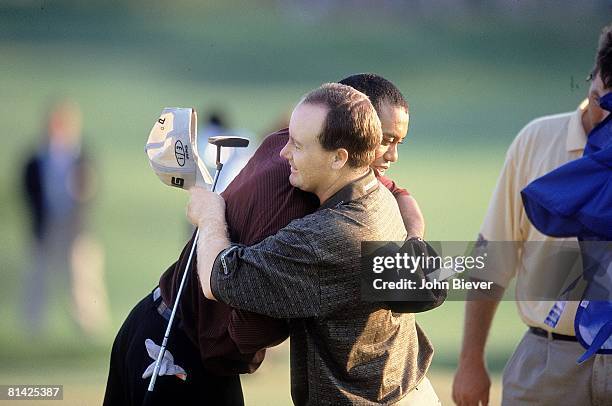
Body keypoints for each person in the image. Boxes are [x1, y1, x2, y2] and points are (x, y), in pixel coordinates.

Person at [104, 74, 425, 405]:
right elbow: (233, 299)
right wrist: (211, 214)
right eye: (384, 139)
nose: (388, 154)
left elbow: (397, 201)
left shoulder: (315, 163)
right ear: (348, 133)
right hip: (176, 348)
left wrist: (411, 238)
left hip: (169, 331)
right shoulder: (312, 203)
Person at [187, 83, 438, 405]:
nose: (283, 153)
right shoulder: (377, 193)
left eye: (297, 145)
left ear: (339, 157)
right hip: (404, 391)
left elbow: (218, 279)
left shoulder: (328, 235)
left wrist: (209, 216)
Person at [452, 23, 612, 406]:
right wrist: (471, 359)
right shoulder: (536, 140)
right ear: (592, 82)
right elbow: (492, 256)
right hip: (548, 361)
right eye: (599, 101)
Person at [22, 99, 110, 337]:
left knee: (82, 280)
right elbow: (28, 190)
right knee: (38, 279)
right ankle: (33, 330)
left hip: (76, 227)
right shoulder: (36, 158)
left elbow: (89, 190)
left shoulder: (81, 156)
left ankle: (89, 329)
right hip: (46, 225)